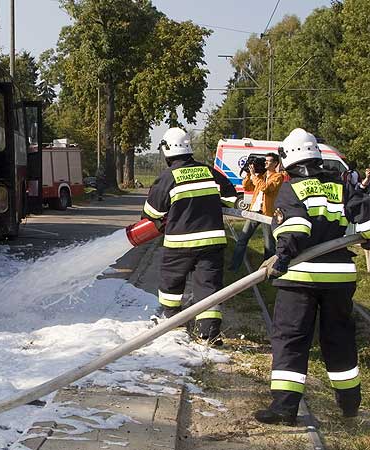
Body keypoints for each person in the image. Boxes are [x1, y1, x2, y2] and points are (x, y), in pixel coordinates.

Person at [254, 128, 370, 425]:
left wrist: (281, 258)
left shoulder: (292, 190)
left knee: (291, 339)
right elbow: (365, 220)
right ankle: (349, 404)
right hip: (339, 279)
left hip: (300, 280)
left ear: (288, 160)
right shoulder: (342, 187)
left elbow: (295, 228)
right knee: (340, 339)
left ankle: (284, 407)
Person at [142, 127, 237, 344]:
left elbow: (152, 213)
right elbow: (232, 198)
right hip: (212, 243)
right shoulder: (209, 171)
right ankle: (209, 334)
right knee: (209, 287)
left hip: (179, 245)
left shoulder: (167, 177)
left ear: (166, 150)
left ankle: (172, 321)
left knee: (171, 285)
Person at [230, 153, 283, 271]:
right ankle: (234, 266)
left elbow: (266, 188)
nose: (265, 163)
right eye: (265, 161)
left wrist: (254, 175)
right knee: (242, 239)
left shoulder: (278, 177)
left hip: (267, 214)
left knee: (269, 244)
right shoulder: (261, 176)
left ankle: (267, 269)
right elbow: (247, 187)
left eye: (268, 161)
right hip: (254, 211)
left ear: (275, 163)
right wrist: (249, 173)